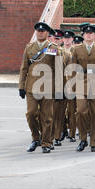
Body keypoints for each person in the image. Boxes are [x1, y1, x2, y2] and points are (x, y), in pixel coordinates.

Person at [19, 22, 60, 154]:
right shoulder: (29, 48)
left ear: (47, 33)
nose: (40, 32)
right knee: (31, 114)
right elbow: (24, 68)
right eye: (38, 31)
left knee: (47, 117)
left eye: (43, 31)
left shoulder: (53, 48)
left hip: (48, 88)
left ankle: (46, 142)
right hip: (31, 87)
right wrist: (21, 86)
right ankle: (35, 138)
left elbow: (59, 69)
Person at [71, 25, 95, 152]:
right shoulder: (77, 49)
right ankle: (83, 139)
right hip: (81, 83)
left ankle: (94, 142)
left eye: (91, 33)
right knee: (81, 111)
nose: (88, 35)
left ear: (94, 35)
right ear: (83, 35)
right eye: (86, 33)